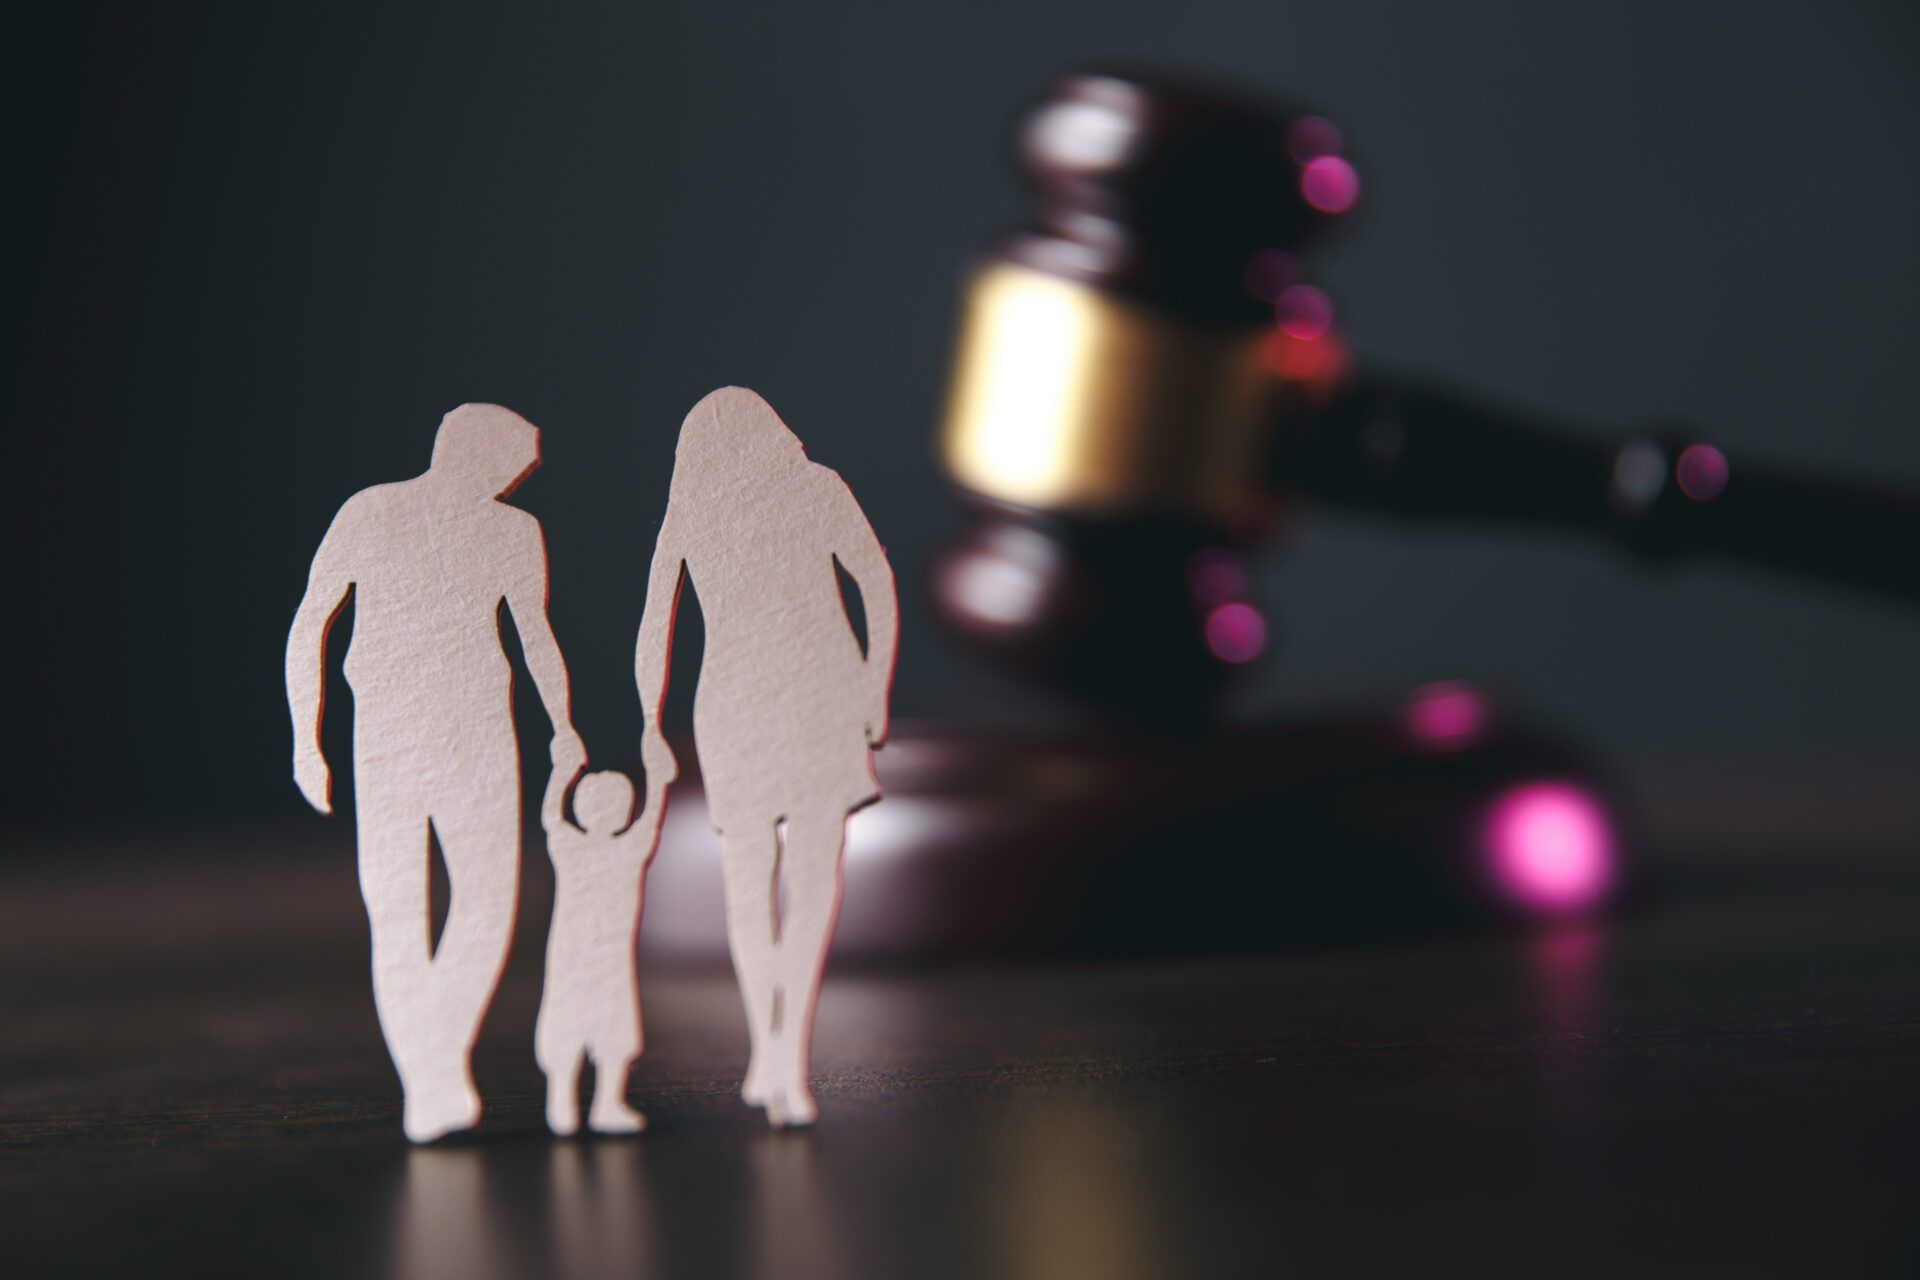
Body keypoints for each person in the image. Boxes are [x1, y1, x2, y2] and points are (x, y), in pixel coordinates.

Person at [285, 403, 584, 1143]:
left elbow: (534, 638)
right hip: (387, 738)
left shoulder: (515, 532)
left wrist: (563, 728)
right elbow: (312, 621)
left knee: (488, 900)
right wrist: (306, 742)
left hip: (481, 735)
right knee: (396, 907)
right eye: (520, 455)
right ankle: (430, 1076)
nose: (525, 471)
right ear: (477, 453)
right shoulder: (371, 513)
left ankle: (436, 1059)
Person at [634, 387, 898, 1127]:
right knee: (804, 874)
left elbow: (655, 627)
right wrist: (874, 683)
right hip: (804, 696)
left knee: (754, 880)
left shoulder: (707, 511)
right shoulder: (811, 487)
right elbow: (875, 583)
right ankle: (777, 1048)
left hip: (753, 705)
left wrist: (652, 722)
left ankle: (779, 1047)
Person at [535, 757, 669, 1136]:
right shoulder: (627, 848)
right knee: (592, 1024)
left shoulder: (569, 845)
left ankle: (587, 1102)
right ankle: (578, 1101)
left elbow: (550, 816)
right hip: (593, 960)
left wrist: (561, 770)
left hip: (588, 960)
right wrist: (656, 776)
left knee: (592, 1024)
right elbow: (653, 815)